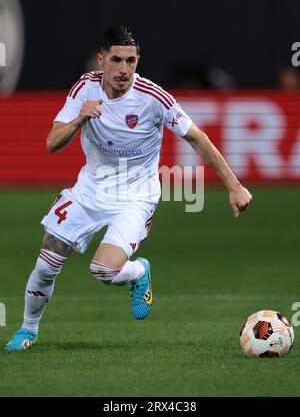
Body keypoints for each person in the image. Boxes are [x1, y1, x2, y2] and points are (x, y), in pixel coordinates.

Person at [5, 26, 252, 351]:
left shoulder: (153, 98)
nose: (124, 69)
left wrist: (234, 186)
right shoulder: (85, 88)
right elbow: (52, 143)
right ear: (101, 60)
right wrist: (79, 119)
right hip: (88, 191)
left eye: (131, 61)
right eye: (117, 60)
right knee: (45, 265)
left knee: (104, 271)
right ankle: (28, 330)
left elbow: (197, 138)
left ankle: (137, 272)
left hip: (135, 198)